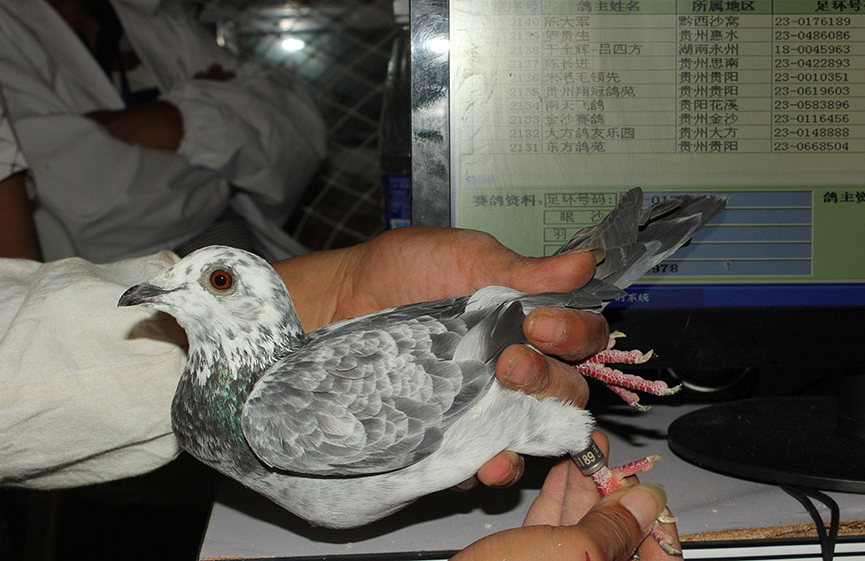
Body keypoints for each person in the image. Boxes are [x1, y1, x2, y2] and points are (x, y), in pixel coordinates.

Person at [0, 227, 679, 559]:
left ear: (260, 303)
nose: (166, 292)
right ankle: (602, 466)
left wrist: (527, 314)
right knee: (537, 422)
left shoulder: (278, 415)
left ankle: (606, 473)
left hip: (483, 377)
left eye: (218, 282)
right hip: (470, 400)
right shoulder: (224, 411)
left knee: (548, 414)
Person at [0, 0, 327, 263]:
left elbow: (299, 133)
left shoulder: (155, 15)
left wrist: (175, 119)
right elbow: (92, 208)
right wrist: (231, 171)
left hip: (244, 264)